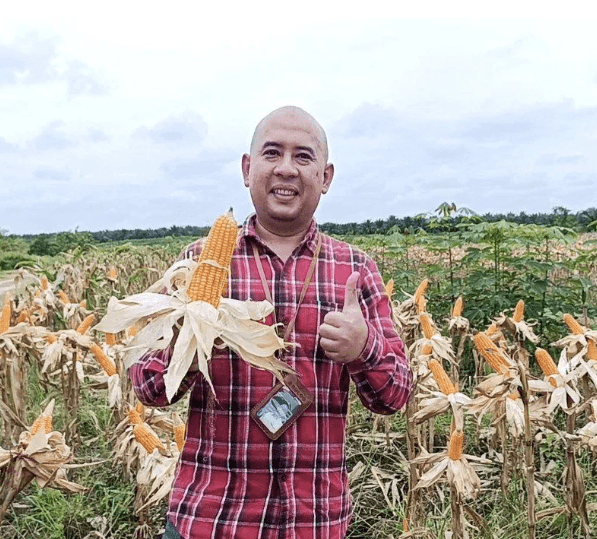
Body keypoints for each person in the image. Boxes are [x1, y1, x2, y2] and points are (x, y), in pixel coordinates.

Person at [130, 106, 411, 539]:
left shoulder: (355, 269)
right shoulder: (196, 264)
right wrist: (190, 336)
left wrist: (362, 348)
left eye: (303, 156)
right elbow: (147, 389)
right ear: (248, 169)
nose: (286, 168)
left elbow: (395, 396)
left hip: (314, 520)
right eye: (272, 153)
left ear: (326, 176)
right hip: (211, 519)